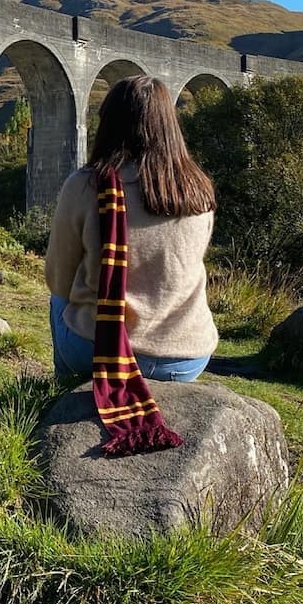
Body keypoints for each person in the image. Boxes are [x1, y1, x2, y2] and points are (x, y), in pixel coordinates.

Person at [45, 75, 217, 383]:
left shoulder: (87, 185)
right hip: (187, 358)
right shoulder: (199, 189)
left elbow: (57, 280)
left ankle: (64, 391)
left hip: (98, 353)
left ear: (110, 123)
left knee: (58, 301)